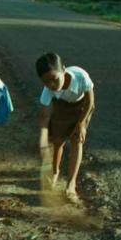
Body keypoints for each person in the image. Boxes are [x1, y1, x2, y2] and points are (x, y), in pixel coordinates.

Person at [36, 52, 95, 203]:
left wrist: (81, 124)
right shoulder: (48, 90)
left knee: (77, 140)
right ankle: (55, 171)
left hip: (82, 108)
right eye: (46, 82)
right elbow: (44, 116)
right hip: (61, 106)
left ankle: (71, 184)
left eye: (54, 80)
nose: (51, 85)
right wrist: (43, 140)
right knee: (57, 141)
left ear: (63, 69)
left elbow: (90, 102)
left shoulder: (81, 77)